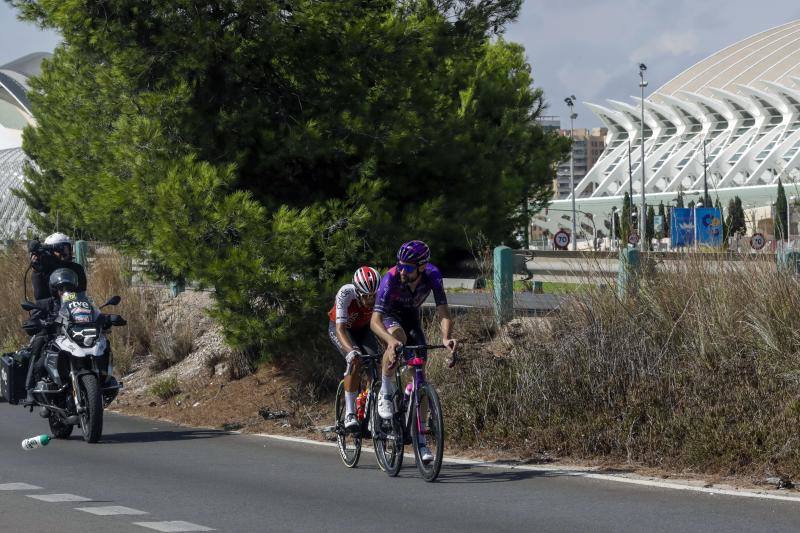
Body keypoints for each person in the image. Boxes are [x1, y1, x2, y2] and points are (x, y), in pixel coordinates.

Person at [370, 240, 457, 463]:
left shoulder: (433, 275)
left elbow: (444, 312)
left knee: (419, 372)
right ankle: (386, 390)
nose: (402, 270)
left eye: (408, 267)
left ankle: (420, 439)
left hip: (411, 317)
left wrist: (446, 338)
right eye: (400, 265)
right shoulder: (390, 278)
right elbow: (374, 321)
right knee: (399, 339)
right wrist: (389, 340)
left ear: (421, 267)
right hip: (389, 317)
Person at [328, 266, 382, 430]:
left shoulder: (380, 295)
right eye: (366, 297)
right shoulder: (346, 293)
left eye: (373, 296)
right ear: (357, 292)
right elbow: (340, 329)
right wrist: (351, 352)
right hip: (341, 329)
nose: (371, 301)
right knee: (356, 360)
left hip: (363, 330)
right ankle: (349, 413)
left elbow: (381, 323)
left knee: (376, 363)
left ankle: (371, 409)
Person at [23, 268, 81, 406]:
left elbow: (91, 312)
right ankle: (30, 387)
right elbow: (33, 319)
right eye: (61, 288)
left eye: (68, 288)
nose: (65, 291)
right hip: (53, 338)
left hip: (75, 339)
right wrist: (39, 322)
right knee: (38, 357)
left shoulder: (80, 302)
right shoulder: (46, 303)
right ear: (55, 290)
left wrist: (104, 318)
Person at [28, 232, 87, 300]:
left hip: (74, 307)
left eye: (67, 248)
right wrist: (36, 272)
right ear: (50, 251)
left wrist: (66, 298)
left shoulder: (77, 268)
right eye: (60, 249)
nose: (65, 252)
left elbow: (81, 294)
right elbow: (40, 298)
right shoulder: (44, 270)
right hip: (51, 308)